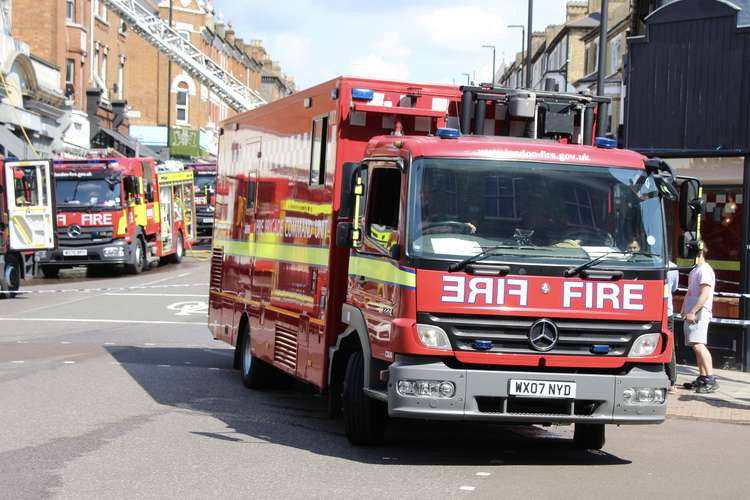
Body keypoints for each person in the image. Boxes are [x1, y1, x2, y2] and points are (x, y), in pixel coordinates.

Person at [681, 245, 718, 393]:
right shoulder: (695, 270)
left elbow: (705, 294)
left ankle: (710, 378)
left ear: (700, 253)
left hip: (700, 312)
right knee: (696, 346)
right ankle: (703, 376)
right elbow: (690, 292)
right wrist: (684, 309)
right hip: (693, 310)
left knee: (699, 345)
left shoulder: (704, 271)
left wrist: (693, 311)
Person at [666, 261, 680, 390]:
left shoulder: (638, 262)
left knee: (668, 345)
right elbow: (674, 288)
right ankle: (672, 380)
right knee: (669, 345)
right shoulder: (673, 267)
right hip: (667, 311)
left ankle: (671, 379)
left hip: (664, 311)